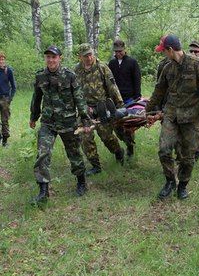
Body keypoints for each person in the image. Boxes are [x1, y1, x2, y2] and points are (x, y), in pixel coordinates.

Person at [146, 35, 199, 200]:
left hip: (191, 117)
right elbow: (158, 91)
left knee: (187, 156)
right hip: (171, 115)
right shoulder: (167, 67)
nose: (163, 54)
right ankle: (170, 182)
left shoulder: (197, 64)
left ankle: (182, 185)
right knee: (164, 150)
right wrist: (147, 111)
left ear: (170, 50)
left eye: (164, 51)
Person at [29, 46, 91, 203]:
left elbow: (79, 98)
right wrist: (33, 117)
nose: (51, 60)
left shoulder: (69, 75)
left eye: (53, 57)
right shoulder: (40, 76)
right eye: (48, 57)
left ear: (59, 58)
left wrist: (85, 120)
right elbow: (36, 98)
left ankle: (81, 182)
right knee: (42, 154)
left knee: (74, 153)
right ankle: (43, 191)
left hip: (67, 122)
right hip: (48, 122)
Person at [75, 43, 126, 175]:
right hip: (85, 109)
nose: (89, 58)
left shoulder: (102, 67)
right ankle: (95, 166)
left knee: (106, 136)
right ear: (80, 57)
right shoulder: (77, 70)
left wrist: (120, 105)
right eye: (85, 56)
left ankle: (118, 152)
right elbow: (75, 91)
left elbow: (112, 87)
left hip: (102, 108)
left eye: (90, 54)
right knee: (85, 138)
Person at [108, 38, 141, 157]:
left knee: (128, 125)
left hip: (129, 99)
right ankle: (126, 142)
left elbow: (137, 80)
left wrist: (137, 97)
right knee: (116, 125)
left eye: (120, 51)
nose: (118, 53)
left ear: (124, 49)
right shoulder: (112, 63)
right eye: (116, 51)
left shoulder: (132, 62)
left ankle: (130, 147)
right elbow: (109, 82)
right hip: (116, 100)